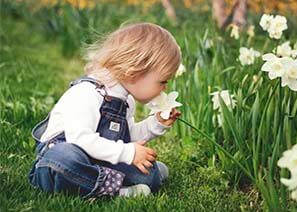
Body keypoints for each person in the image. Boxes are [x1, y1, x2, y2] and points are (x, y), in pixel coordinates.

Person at [28, 22, 182, 199]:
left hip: (97, 159)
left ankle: (95, 183)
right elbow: (79, 139)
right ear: (134, 72)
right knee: (63, 158)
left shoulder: (126, 100)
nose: (164, 88)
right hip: (64, 158)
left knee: (149, 173)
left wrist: (156, 123)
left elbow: (126, 137)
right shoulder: (87, 93)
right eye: (162, 81)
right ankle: (117, 191)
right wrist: (127, 153)